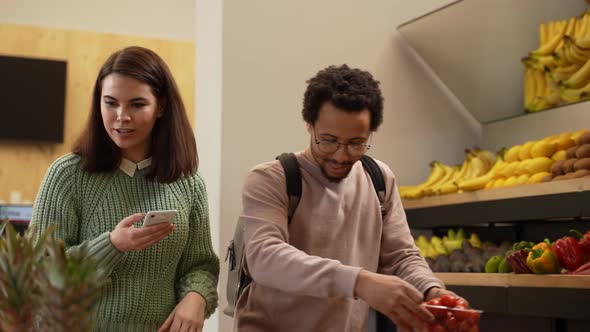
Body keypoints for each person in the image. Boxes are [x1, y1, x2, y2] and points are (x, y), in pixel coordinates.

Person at [233, 64, 463, 331]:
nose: (341, 156)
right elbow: (264, 257)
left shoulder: (379, 179)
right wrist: (359, 281)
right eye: (328, 140)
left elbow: (401, 257)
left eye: (356, 143)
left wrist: (431, 290)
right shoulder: (271, 179)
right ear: (309, 126)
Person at [30, 46, 219, 331]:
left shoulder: (189, 182)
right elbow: (39, 275)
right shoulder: (67, 175)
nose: (121, 116)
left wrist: (196, 297)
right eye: (110, 103)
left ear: (162, 106)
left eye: (137, 104)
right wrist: (113, 245)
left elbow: (200, 265)